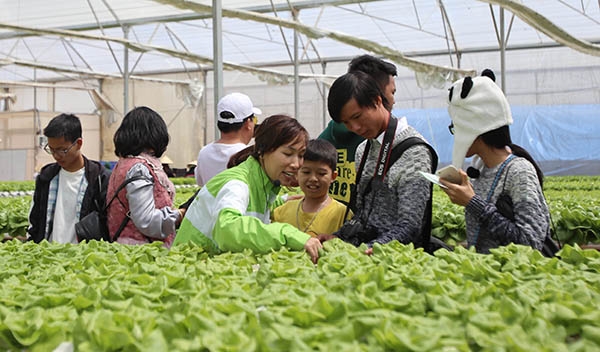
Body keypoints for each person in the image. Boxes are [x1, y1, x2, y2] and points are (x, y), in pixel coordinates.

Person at [174, 114, 322, 264]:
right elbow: (227, 229)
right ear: (263, 151)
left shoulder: (263, 183)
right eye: (288, 154)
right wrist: (287, 234)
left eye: (301, 155)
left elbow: (249, 204)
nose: (296, 164)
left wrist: (282, 201)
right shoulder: (237, 183)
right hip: (189, 267)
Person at [322, 71, 435, 255]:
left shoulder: (413, 150)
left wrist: (371, 248)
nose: (355, 128)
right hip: (367, 258)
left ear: (376, 100)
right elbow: (364, 216)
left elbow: (410, 225)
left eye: (357, 117)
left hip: (399, 263)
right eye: (347, 123)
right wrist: (339, 238)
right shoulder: (363, 150)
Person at [440, 69, 550, 254]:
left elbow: (531, 243)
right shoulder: (480, 168)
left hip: (514, 278)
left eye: (456, 126)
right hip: (487, 276)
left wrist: (472, 202)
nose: (455, 134)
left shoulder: (519, 172)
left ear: (475, 127)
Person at [319, 54, 397, 208]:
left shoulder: (326, 137)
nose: (393, 100)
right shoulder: (376, 138)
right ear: (375, 94)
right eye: (392, 92)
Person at [106, 106, 184, 247]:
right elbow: (146, 220)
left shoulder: (123, 165)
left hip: (125, 247)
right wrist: (179, 215)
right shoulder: (139, 169)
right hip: (142, 251)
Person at [28, 113, 111, 244]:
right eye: (51, 149)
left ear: (78, 144)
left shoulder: (99, 178)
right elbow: (35, 220)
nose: (56, 156)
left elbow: (107, 224)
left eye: (62, 150)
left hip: (84, 257)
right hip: (49, 256)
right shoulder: (46, 176)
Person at [272, 139, 352, 236]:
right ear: (297, 173)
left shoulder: (343, 214)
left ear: (333, 176)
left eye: (321, 173)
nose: (313, 178)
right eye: (306, 172)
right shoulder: (281, 212)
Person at [194, 92, 260, 187]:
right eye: (255, 120)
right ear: (248, 123)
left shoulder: (204, 153)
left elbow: (200, 183)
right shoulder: (248, 156)